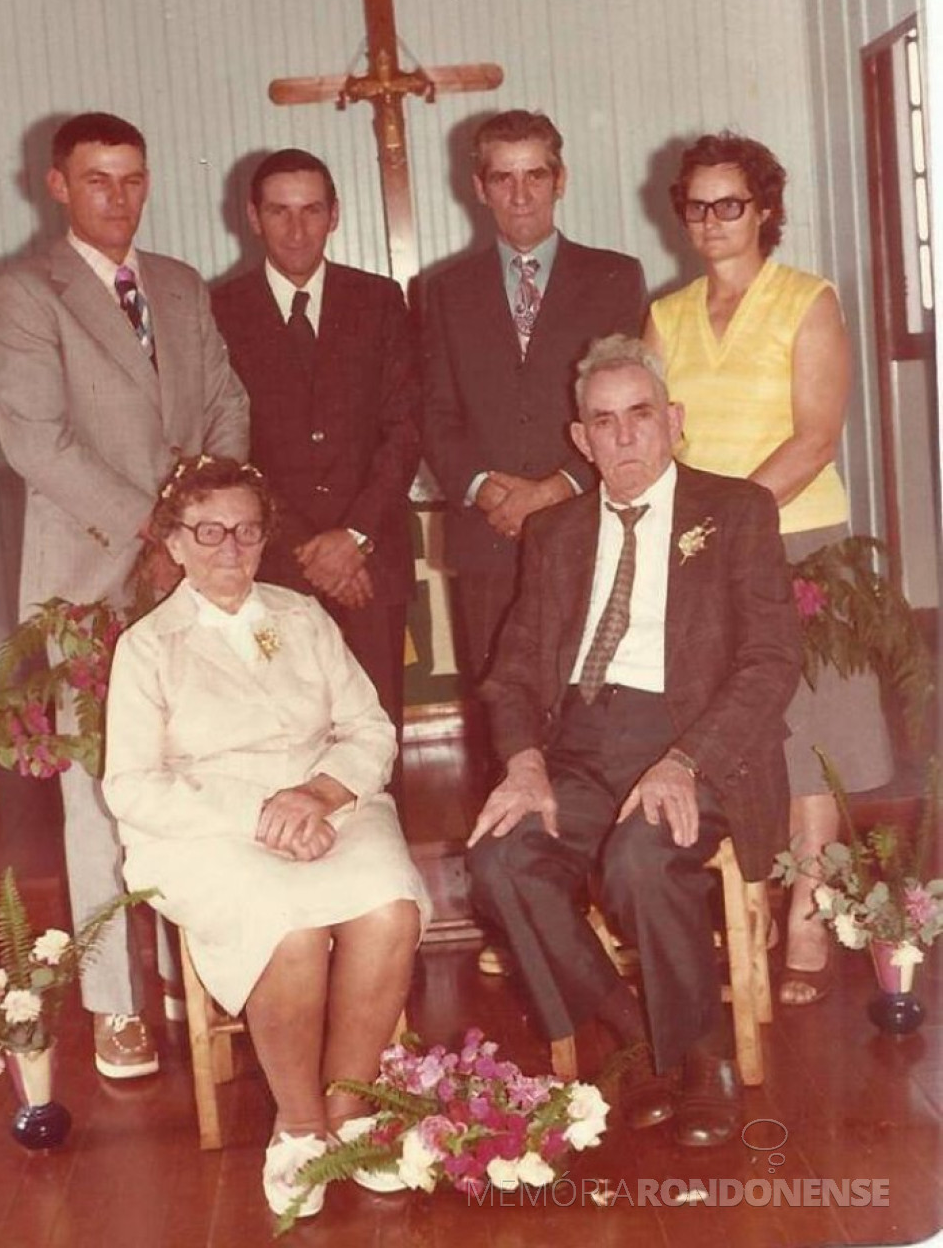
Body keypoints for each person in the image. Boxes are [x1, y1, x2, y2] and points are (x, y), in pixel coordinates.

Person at [467, 336, 801, 1147]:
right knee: (500, 859)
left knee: (641, 857)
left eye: (640, 416)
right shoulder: (554, 532)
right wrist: (524, 763)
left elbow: (771, 659)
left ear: (673, 422)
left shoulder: (736, 512)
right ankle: (639, 1033)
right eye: (603, 422)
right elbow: (510, 673)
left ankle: (701, 1053)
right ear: (579, 439)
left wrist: (685, 760)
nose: (622, 438)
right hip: (577, 746)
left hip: (696, 740)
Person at [0, 112, 249, 1079]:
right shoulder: (21, 294)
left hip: (194, 572)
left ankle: (207, 974)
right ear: (57, 186)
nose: (118, 197)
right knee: (100, 796)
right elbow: (36, 444)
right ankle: (114, 1009)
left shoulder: (176, 285)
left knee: (207, 770)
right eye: (97, 180)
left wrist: (206, 527)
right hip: (89, 582)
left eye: (132, 179)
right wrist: (160, 530)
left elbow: (226, 402)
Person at [102, 454, 430, 1218]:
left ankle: (351, 1114)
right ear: (173, 542)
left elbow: (369, 728)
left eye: (247, 533)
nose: (229, 551)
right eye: (208, 532)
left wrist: (317, 793)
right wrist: (259, 817)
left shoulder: (302, 616)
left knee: (391, 909)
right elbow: (132, 787)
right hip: (209, 830)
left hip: (331, 809)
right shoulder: (148, 649)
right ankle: (301, 1128)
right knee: (284, 929)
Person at [646, 132, 893, 1006]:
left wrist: (730, 519)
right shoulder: (666, 315)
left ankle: (809, 915)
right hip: (701, 546)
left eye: (732, 205)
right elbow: (654, 434)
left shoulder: (807, 299)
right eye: (698, 206)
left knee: (815, 726)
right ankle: (745, 907)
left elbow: (817, 434)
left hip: (797, 537)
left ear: (765, 211)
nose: (713, 222)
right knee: (738, 728)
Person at [422, 109, 648, 687]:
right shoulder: (444, 291)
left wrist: (555, 489)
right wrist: (489, 490)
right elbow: (435, 414)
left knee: (591, 703)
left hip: (586, 525)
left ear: (560, 179)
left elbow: (625, 413)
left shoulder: (614, 277)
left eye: (535, 176)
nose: (520, 194)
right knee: (502, 704)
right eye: (503, 178)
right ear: (478, 187)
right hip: (487, 537)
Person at [212, 149, 420, 740]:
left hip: (370, 560)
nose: (296, 228)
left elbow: (405, 428)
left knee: (376, 736)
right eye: (279, 211)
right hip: (269, 562)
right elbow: (229, 449)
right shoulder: (220, 310)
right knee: (285, 737)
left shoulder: (379, 301)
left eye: (311, 210)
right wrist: (309, 547)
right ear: (253, 218)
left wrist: (353, 537)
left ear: (335, 214)